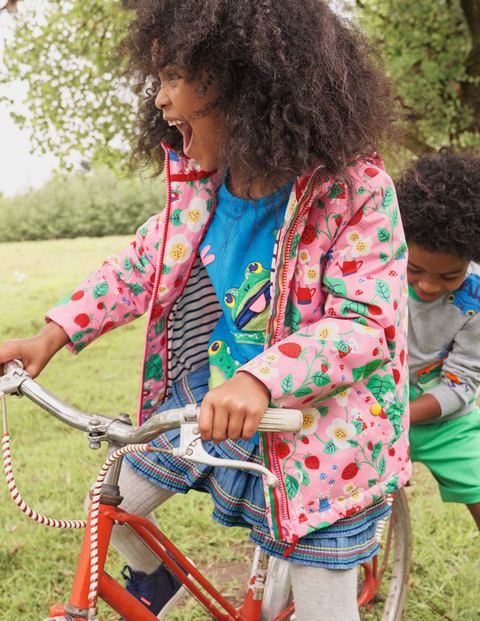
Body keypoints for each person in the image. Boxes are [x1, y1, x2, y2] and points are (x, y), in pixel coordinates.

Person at [0, 2, 411, 619]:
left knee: (322, 593)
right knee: (113, 502)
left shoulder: (353, 190)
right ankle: (155, 579)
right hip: (208, 404)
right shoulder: (201, 188)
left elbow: (362, 324)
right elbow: (137, 266)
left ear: (241, 82)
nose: (160, 100)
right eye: (158, 79)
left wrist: (262, 379)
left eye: (173, 78)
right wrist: (49, 338)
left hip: (320, 436)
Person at [396, 150, 480, 530]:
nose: (429, 285)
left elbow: (464, 380)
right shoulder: (377, 272)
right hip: (370, 415)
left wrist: (403, 417)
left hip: (449, 425)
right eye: (415, 269)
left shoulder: (475, 299)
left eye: (450, 276)